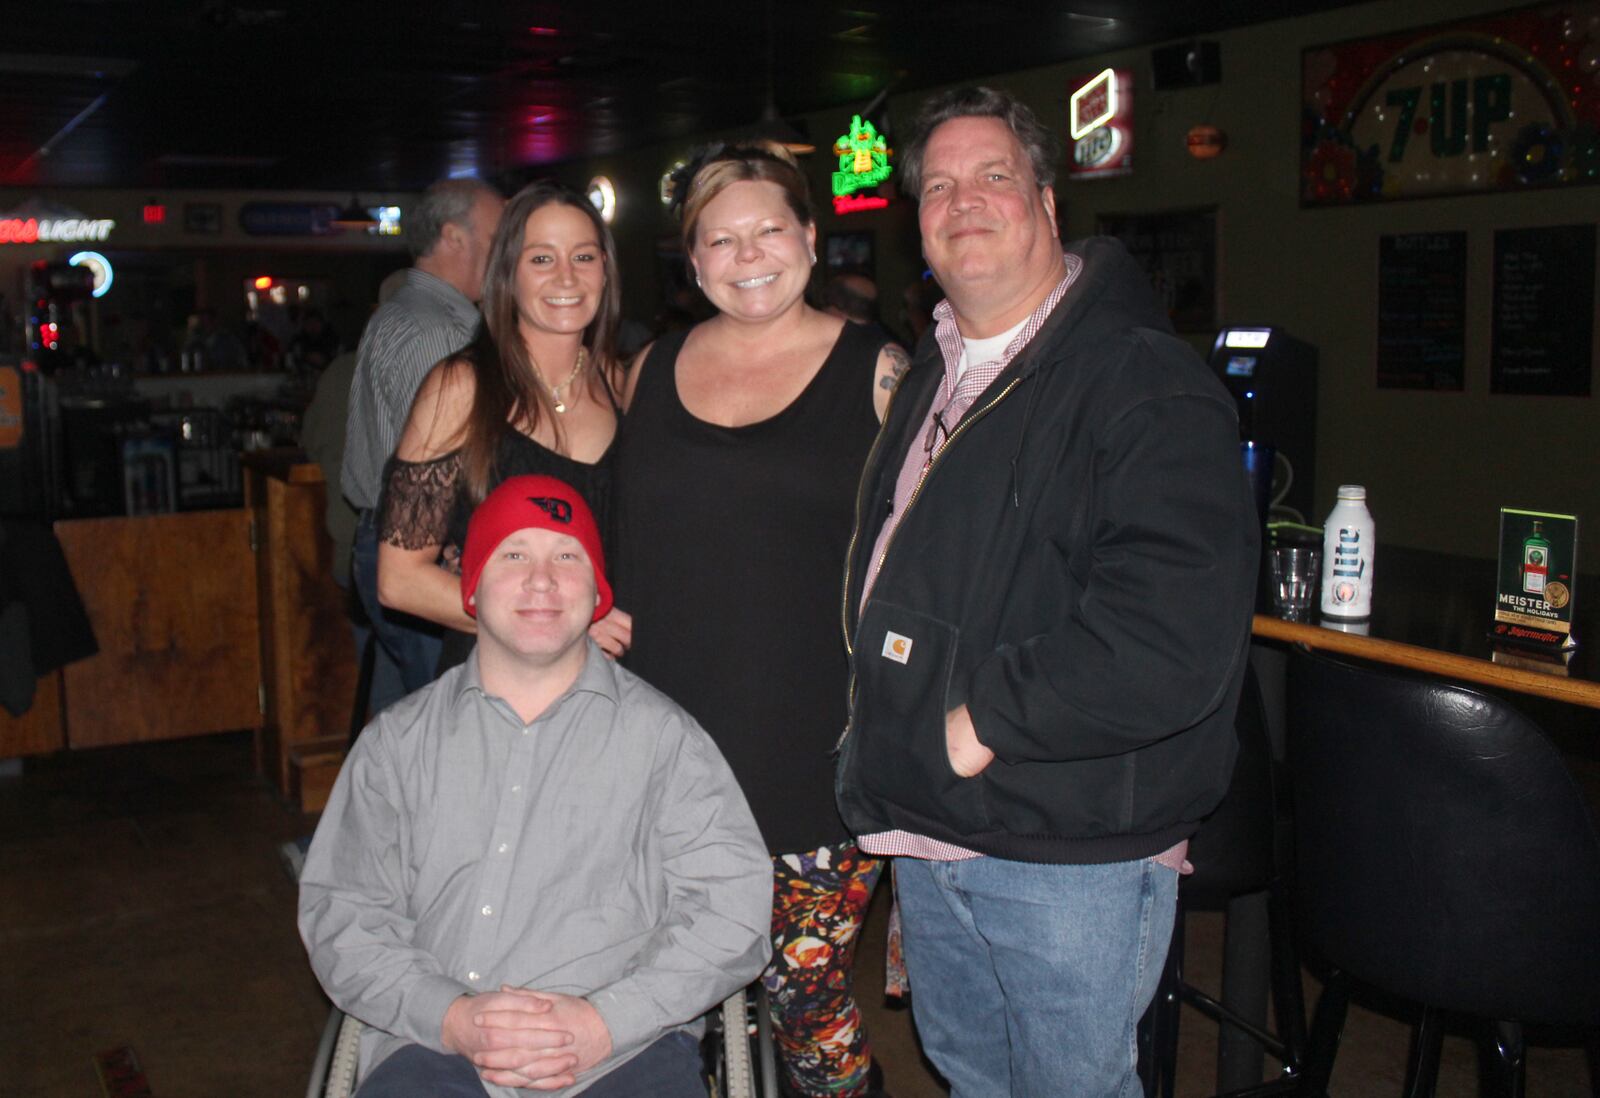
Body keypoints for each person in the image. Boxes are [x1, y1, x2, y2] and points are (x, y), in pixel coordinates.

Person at [834, 86, 1259, 1097]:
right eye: (938, 185)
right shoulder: (940, 373)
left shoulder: (1140, 379)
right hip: (939, 825)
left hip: (1066, 848)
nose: (962, 200)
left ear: (1048, 205)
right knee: (971, 1076)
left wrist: (981, 719)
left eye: (992, 176)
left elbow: (1169, 640)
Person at [299, 475, 771, 1098]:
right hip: (433, 1049)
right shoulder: (396, 746)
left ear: (598, 593)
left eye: (567, 557)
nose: (542, 580)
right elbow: (343, 911)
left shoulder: (668, 743)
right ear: (471, 586)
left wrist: (605, 1022)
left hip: (624, 1053)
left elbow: (732, 910)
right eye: (513, 554)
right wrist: (453, 1017)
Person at [614, 141, 907, 1098]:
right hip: (660, 761)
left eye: (769, 229)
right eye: (720, 239)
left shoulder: (882, 371)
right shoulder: (648, 370)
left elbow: (943, 560)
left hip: (813, 759)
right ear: (692, 262)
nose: (747, 255)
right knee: (659, 1005)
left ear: (812, 238)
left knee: (808, 1008)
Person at [376, 181, 631, 674]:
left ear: (605, 270)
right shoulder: (462, 387)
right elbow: (399, 580)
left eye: (583, 257)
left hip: (610, 686)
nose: (566, 277)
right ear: (507, 273)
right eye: (541, 259)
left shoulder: (623, 386)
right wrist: (565, 625)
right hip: (500, 686)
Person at [342, 177, 506, 707]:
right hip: (422, 558)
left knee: (410, 732)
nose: (511, 248)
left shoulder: (404, 311)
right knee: (450, 728)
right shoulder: (441, 332)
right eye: (500, 233)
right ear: (454, 237)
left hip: (384, 545)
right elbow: (446, 478)